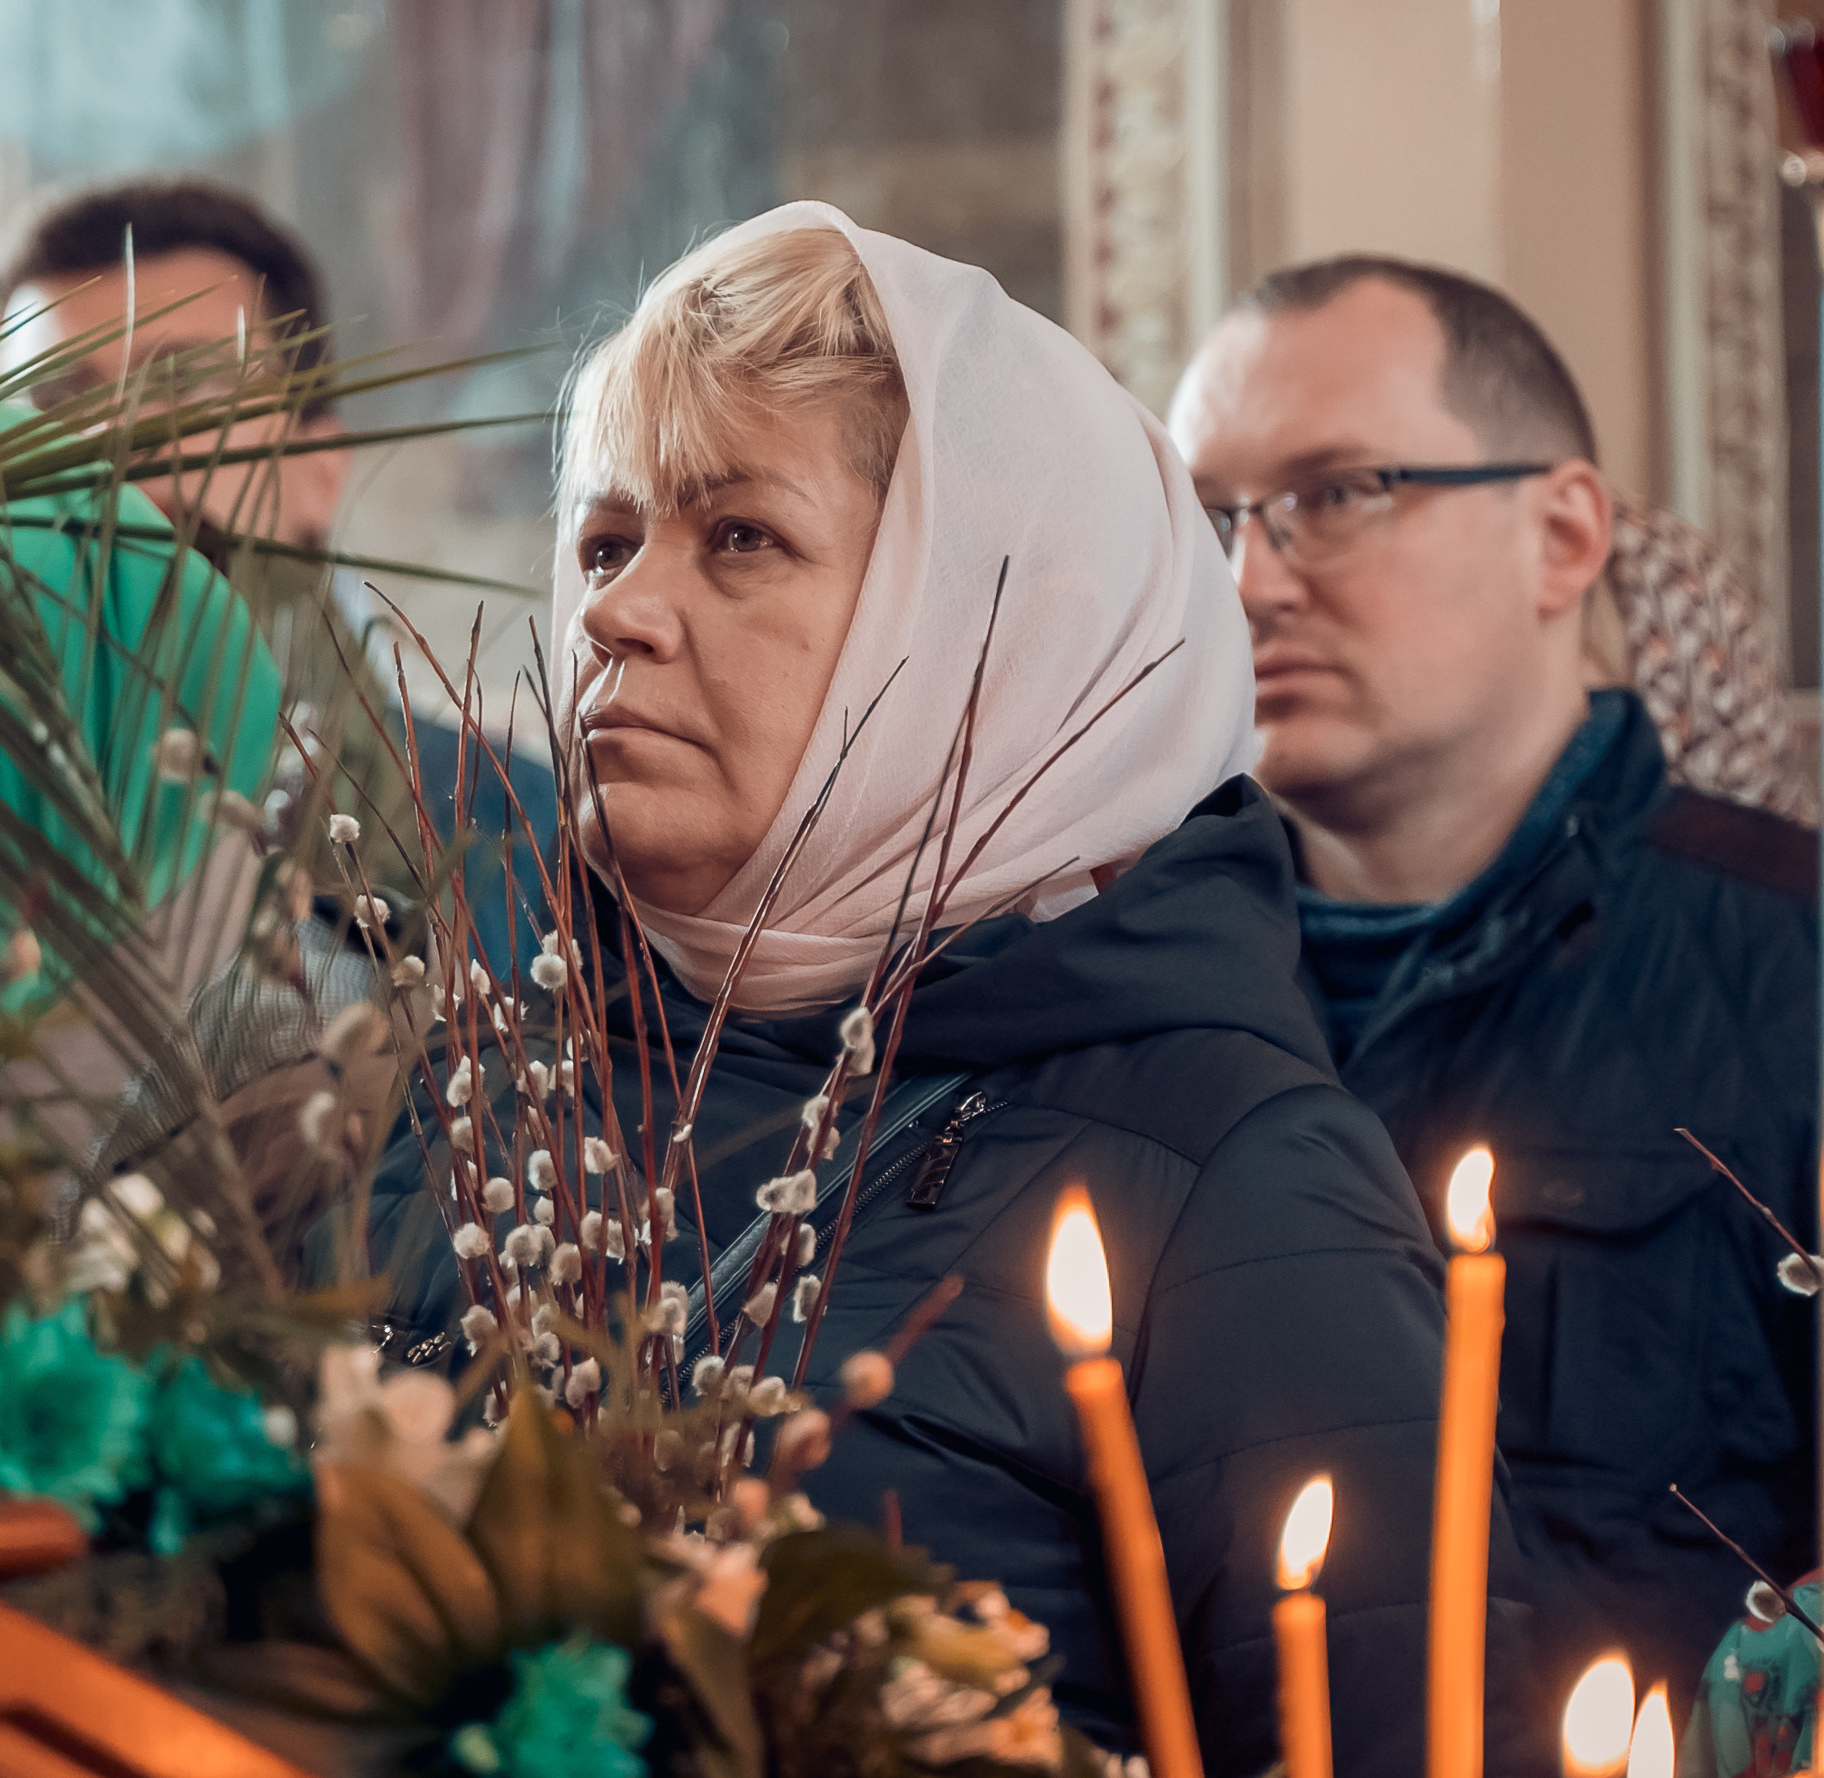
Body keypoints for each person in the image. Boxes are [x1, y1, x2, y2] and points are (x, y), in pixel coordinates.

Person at [366, 205, 1543, 1774]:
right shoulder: (455, 1098)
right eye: (602, 541)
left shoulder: (1231, 1180)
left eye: (738, 537)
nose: (615, 615)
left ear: (985, 635)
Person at [1169, 257, 1820, 1722]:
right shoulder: (1121, 984)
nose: (1250, 579)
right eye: (1212, 517)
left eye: (1337, 492)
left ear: (1562, 532)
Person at [0, 177, 555, 974]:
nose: (111, 437)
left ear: (317, 469)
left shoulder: (526, 830)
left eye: (182, 387)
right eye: (51, 403)